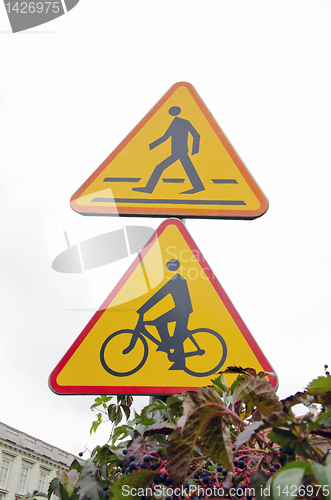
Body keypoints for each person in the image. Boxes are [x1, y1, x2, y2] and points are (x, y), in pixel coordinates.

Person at [133, 106, 205, 195]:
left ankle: (149, 188)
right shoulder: (176, 123)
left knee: (159, 167)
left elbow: (196, 135)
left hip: (180, 151)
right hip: (178, 152)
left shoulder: (181, 122)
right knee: (189, 169)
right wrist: (150, 146)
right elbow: (165, 137)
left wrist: (195, 150)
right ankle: (198, 186)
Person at [136, 259, 193, 369]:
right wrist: (143, 309)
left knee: (167, 327)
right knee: (175, 333)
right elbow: (158, 296)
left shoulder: (176, 280)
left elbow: (158, 296)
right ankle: (170, 347)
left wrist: (143, 310)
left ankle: (168, 345)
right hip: (180, 310)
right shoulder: (176, 279)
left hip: (182, 311)